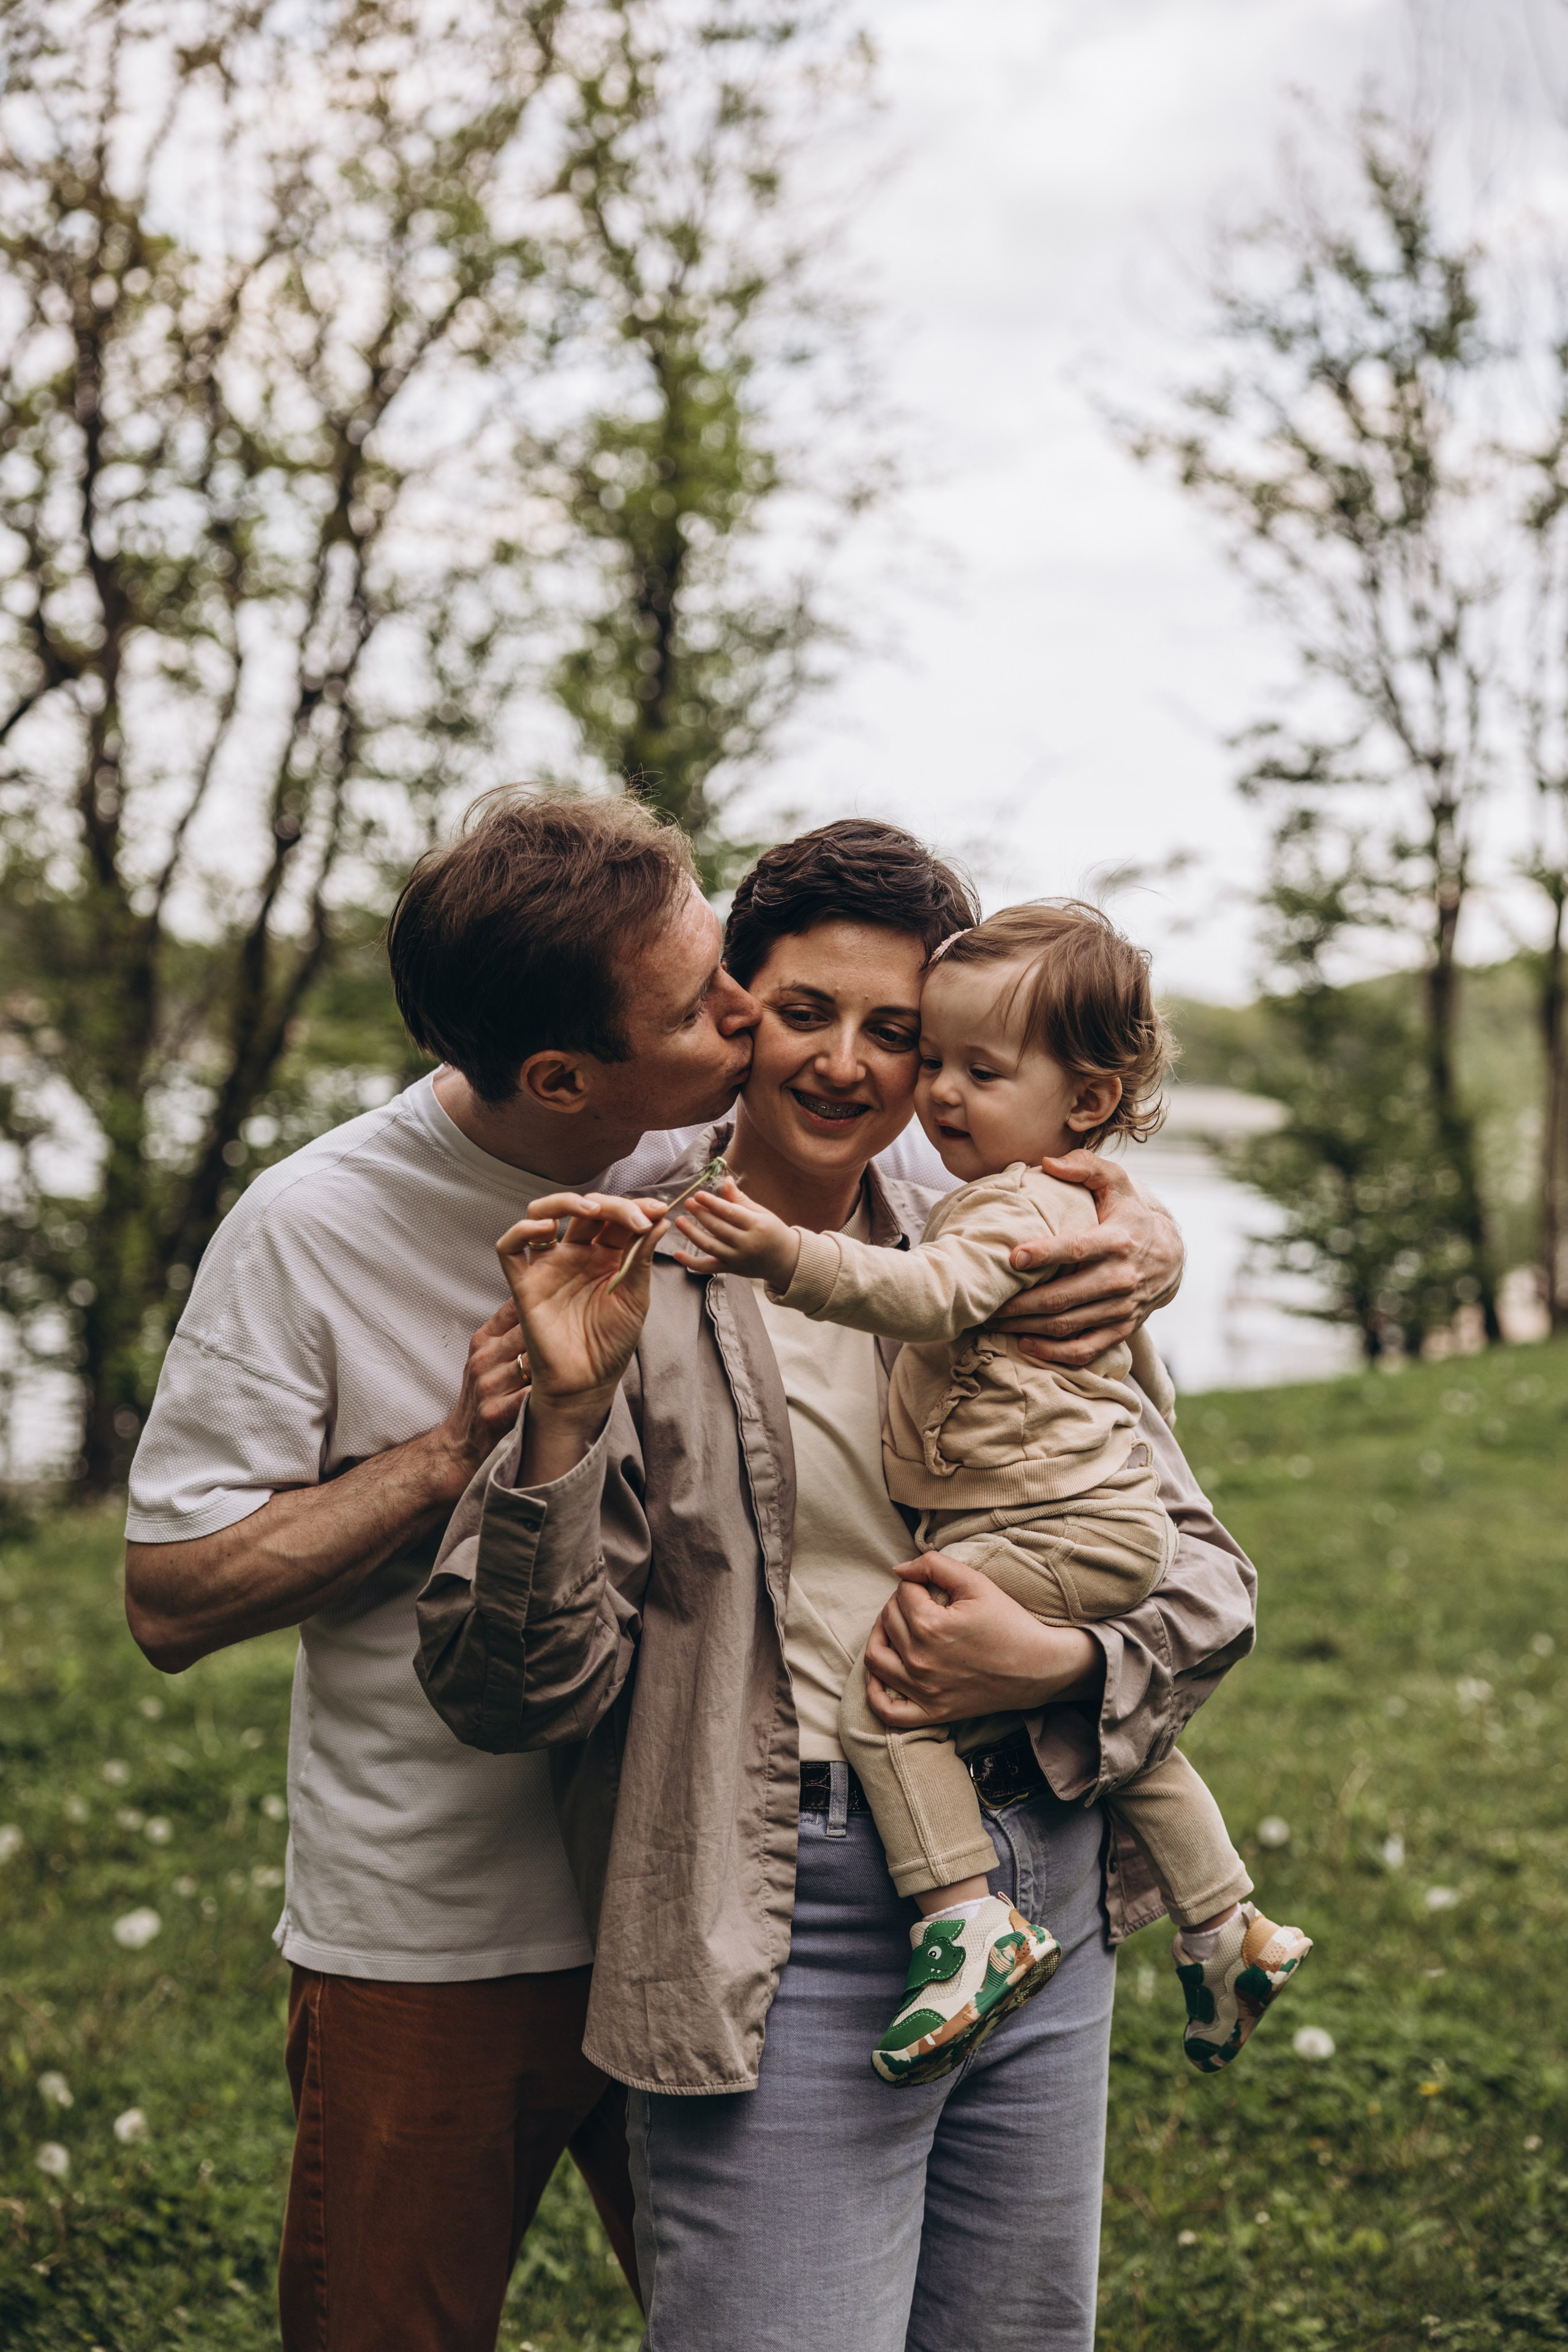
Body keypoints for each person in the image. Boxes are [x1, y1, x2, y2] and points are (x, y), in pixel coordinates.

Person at [122, 796, 1181, 2352]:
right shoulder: (342, 1226)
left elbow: (1139, 1498)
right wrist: (464, 1445)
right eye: (726, 1005)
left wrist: (1114, 1207)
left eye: (882, 1031)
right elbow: (174, 1597)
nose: (776, 1034)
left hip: (741, 1891)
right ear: (575, 1077)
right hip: (452, 1915)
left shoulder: (811, 1204)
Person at [416, 820, 1259, 2352]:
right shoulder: (636, 1277)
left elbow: (1204, 1585)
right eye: (805, 1012)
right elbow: (510, 1689)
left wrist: (1056, 1665)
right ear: (734, 1007)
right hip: (784, 1913)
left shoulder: (1028, 1261)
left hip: (1042, 1864)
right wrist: (551, 1423)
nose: (851, 1068)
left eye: (900, 1034)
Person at [674, 899, 1310, 2086]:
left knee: (890, 1695)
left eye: (974, 1065)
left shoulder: (1003, 1212)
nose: (936, 1095)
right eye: (942, 1063)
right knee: (1129, 1750)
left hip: (1057, 1527)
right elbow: (1137, 1380)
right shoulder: (1067, 1206)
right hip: (1098, 1518)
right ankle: (1228, 1925)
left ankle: (963, 1923)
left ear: (1083, 1101)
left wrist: (777, 1254)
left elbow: (920, 1299)